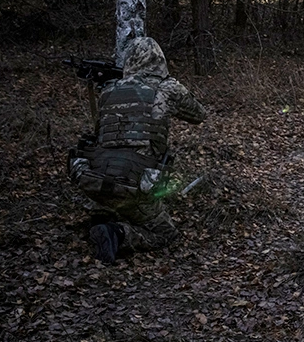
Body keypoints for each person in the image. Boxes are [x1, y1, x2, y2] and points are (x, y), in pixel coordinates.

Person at [68, 37, 206, 263]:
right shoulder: (167, 89)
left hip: (94, 179)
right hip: (134, 185)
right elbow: (199, 114)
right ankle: (118, 234)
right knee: (166, 234)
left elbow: (99, 132)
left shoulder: (108, 90)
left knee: (116, 197)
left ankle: (103, 215)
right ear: (159, 60)